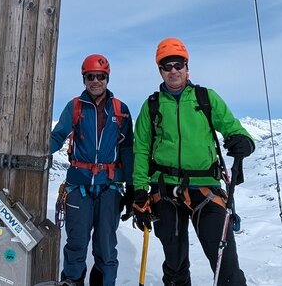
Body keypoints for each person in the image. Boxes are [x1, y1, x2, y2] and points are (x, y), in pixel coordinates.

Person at [131, 38, 255, 286]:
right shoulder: (152, 106)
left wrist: (243, 141)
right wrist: (138, 191)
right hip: (164, 190)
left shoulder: (205, 98)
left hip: (206, 188)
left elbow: (234, 129)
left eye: (178, 65)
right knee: (175, 265)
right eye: (167, 66)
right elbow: (141, 150)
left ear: (187, 67)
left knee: (226, 265)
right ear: (160, 71)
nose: (173, 70)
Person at [50, 54, 135, 286]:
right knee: (76, 243)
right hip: (79, 185)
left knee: (106, 245)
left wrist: (132, 187)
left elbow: (127, 149)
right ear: (84, 79)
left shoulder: (120, 110)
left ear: (107, 78)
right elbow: (57, 136)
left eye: (100, 76)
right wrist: (36, 154)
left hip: (110, 186)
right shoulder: (75, 106)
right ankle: (72, 281)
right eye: (90, 77)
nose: (95, 81)